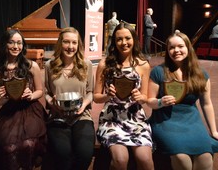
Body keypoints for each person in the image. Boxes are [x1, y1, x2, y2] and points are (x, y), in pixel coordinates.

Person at [147, 30, 218, 170]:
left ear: (188, 48)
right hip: (165, 120)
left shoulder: (201, 74)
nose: (176, 50)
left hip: (191, 121)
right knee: (182, 159)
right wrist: (161, 102)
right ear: (167, 51)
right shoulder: (158, 72)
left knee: (206, 158)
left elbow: (206, 103)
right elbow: (150, 101)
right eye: (171, 47)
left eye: (180, 46)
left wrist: (214, 131)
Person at [94, 23, 154, 170]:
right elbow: (96, 96)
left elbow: (145, 98)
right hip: (111, 119)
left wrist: (140, 97)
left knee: (145, 159)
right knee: (121, 160)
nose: (124, 43)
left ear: (134, 39)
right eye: (119, 39)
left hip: (136, 118)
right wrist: (107, 96)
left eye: (128, 38)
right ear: (114, 42)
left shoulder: (143, 65)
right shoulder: (105, 64)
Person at [0, 29, 47, 170]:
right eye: (11, 42)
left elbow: (40, 91)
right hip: (9, 111)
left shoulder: (31, 66)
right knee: (8, 146)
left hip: (30, 109)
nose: (15, 46)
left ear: (23, 45)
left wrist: (31, 95)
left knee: (29, 143)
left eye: (19, 43)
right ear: (4, 45)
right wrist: (2, 97)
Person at [43, 27, 95, 170]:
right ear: (60, 43)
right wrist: (52, 103)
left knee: (85, 154)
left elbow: (91, 92)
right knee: (61, 153)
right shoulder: (50, 65)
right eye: (66, 42)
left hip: (82, 116)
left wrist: (83, 105)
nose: (70, 47)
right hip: (57, 116)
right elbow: (46, 92)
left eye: (74, 43)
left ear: (78, 45)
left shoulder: (86, 65)